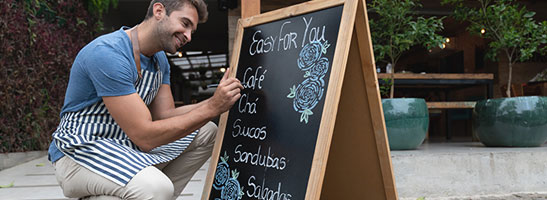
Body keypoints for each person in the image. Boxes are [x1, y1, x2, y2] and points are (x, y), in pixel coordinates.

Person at [47, 0, 243, 199]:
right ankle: (149, 192)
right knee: (156, 188)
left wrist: (219, 101)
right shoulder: (108, 53)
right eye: (185, 24)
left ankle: (145, 193)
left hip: (124, 147)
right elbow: (145, 136)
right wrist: (212, 107)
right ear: (159, 11)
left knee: (207, 132)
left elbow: (164, 115)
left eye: (192, 30)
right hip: (79, 153)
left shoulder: (159, 60)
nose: (188, 36)